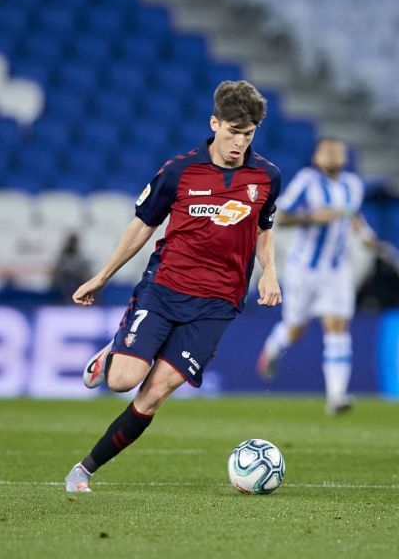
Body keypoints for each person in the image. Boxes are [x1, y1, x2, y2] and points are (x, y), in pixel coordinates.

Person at [64, 80, 282, 493]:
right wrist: (102, 276)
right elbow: (142, 226)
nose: (239, 143)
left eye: (248, 134)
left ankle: (84, 470)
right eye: (233, 131)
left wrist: (269, 270)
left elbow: (263, 227)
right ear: (214, 124)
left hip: (217, 304)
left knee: (154, 394)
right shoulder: (180, 171)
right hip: (164, 288)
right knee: (122, 381)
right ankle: (113, 354)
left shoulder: (267, 177)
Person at [255, 138, 374, 414]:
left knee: (337, 325)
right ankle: (273, 347)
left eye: (337, 151)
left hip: (336, 269)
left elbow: (352, 214)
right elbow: (281, 217)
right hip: (304, 269)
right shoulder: (307, 181)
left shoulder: (353, 185)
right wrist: (312, 217)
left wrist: (366, 235)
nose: (333, 155)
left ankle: (337, 396)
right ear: (316, 157)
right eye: (327, 151)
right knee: (296, 328)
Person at [50, 233, 90, 303]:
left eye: (74, 243)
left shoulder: (80, 256)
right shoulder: (62, 255)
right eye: (71, 242)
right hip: (64, 282)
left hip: (76, 281)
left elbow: (82, 270)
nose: (72, 244)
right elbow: (58, 269)